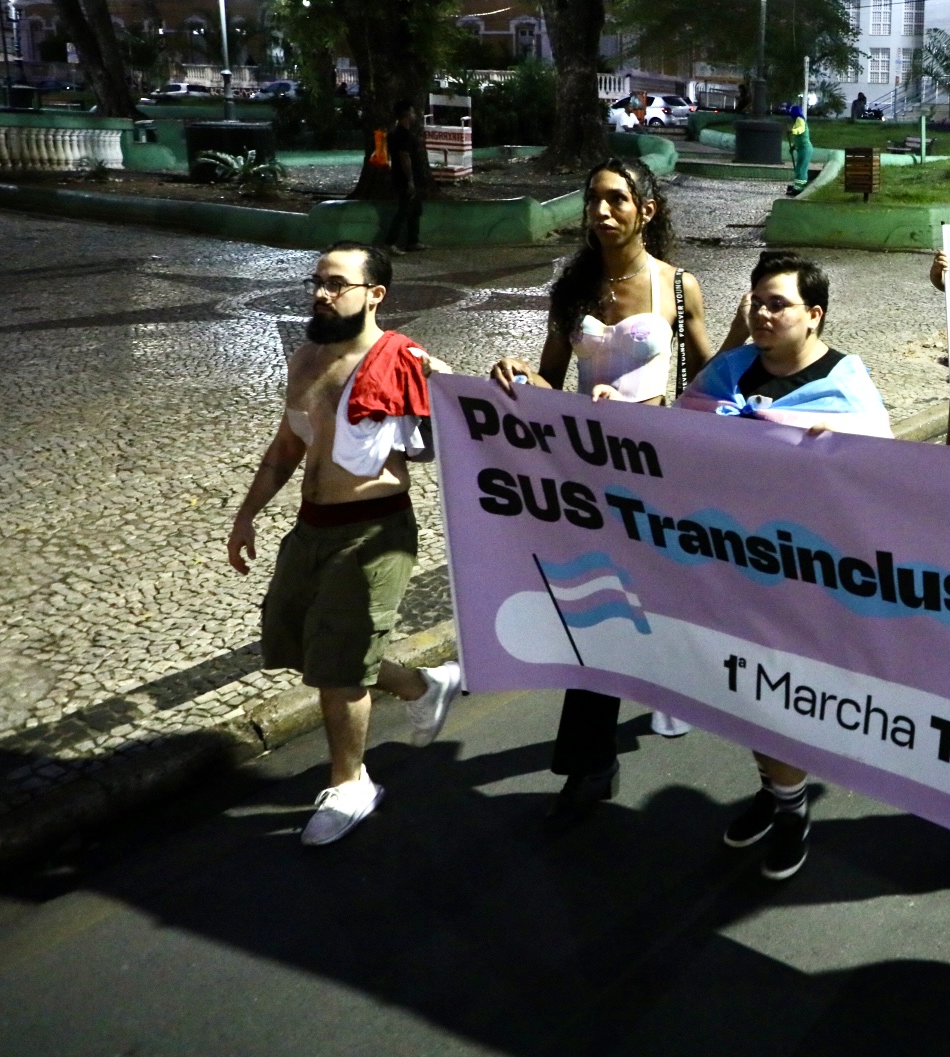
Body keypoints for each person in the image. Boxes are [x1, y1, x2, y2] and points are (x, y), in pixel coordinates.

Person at [487, 159, 716, 824]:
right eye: (594, 199)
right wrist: (516, 373)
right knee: (598, 612)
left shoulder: (678, 288)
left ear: (647, 209)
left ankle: (656, 696)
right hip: (589, 475)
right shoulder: (574, 288)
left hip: (654, 476)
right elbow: (551, 380)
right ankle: (592, 761)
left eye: (617, 199)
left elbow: (707, 384)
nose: (602, 210)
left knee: (648, 604)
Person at [226, 241, 462, 846]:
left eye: (336, 284)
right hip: (312, 526)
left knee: (337, 665)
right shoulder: (306, 359)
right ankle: (422, 685)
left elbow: (465, 425)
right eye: (318, 283)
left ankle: (351, 783)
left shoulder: (403, 358)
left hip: (375, 531)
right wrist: (247, 514)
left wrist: (448, 383)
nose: (321, 294)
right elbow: (288, 447)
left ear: (374, 294)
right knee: (302, 644)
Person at [674, 252, 892, 879]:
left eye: (777, 304)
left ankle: (791, 806)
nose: (761, 314)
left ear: (814, 315)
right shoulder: (732, 369)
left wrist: (834, 450)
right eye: (756, 301)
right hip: (735, 559)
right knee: (747, 687)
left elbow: (884, 467)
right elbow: (681, 438)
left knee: (785, 690)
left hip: (810, 570)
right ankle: (779, 795)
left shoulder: (845, 381)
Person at [384, 99, 425, 252]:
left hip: (400, 176)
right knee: (404, 210)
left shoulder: (394, 133)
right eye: (413, 112)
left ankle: (413, 240)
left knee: (414, 209)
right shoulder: (403, 135)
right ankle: (390, 242)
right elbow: (404, 157)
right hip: (405, 178)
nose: (414, 115)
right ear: (407, 114)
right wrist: (410, 181)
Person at [785, 103, 812, 196]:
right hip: (801, 149)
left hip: (805, 148)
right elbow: (798, 138)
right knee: (799, 168)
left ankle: (799, 188)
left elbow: (800, 130)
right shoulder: (797, 121)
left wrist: (792, 131)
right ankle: (797, 187)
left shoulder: (800, 120)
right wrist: (794, 146)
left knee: (801, 169)